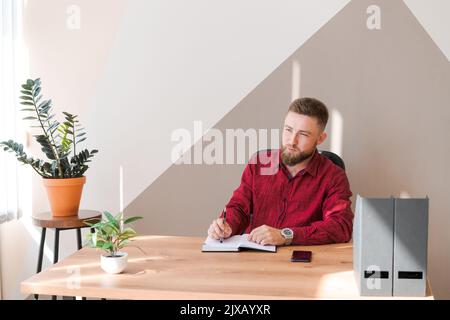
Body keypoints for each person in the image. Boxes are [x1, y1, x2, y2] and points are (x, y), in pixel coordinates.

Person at [207, 97, 353, 246]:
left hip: (302, 261)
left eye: (303, 134)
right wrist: (227, 225)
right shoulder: (259, 164)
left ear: (320, 138)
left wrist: (286, 235)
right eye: (288, 130)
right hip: (256, 256)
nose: (292, 141)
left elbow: (341, 227)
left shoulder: (334, 176)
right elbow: (239, 207)